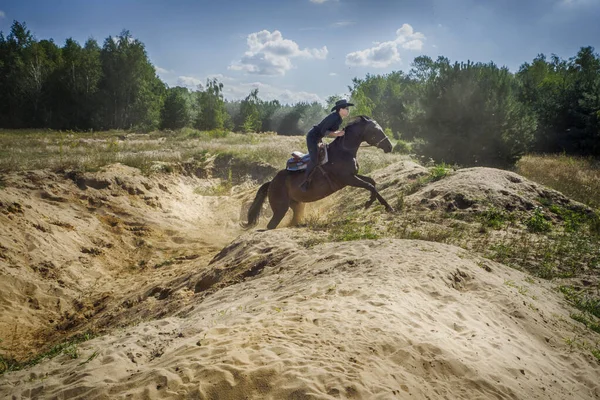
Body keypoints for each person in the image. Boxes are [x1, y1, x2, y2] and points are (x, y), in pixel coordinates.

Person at [299, 99, 354, 192]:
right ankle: (305, 182)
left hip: (317, 138)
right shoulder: (334, 117)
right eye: (346, 108)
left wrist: (339, 133)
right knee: (314, 159)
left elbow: (326, 131)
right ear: (340, 109)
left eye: (348, 108)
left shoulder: (338, 118)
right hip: (312, 138)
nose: (348, 110)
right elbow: (324, 131)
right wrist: (337, 134)